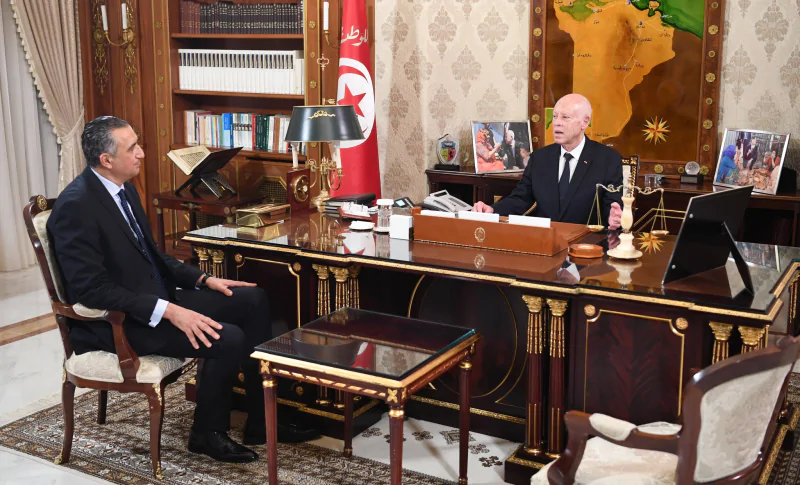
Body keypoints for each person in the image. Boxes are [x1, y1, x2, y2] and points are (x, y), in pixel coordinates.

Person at [47, 116, 318, 464]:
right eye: (133, 148)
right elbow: (91, 290)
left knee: (252, 300)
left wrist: (203, 280)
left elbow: (153, 255)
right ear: (106, 160)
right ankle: (206, 433)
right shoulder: (76, 206)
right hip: (117, 323)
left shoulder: (123, 188)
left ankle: (260, 421)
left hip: (154, 300)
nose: (142, 154)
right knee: (228, 338)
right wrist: (171, 312)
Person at [473, 94, 623, 230]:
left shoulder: (608, 159)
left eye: (565, 117)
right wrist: (493, 210)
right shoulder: (540, 158)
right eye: (555, 116)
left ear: (585, 121)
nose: (557, 123)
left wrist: (613, 217)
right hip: (544, 241)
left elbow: (612, 205)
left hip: (586, 244)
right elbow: (521, 198)